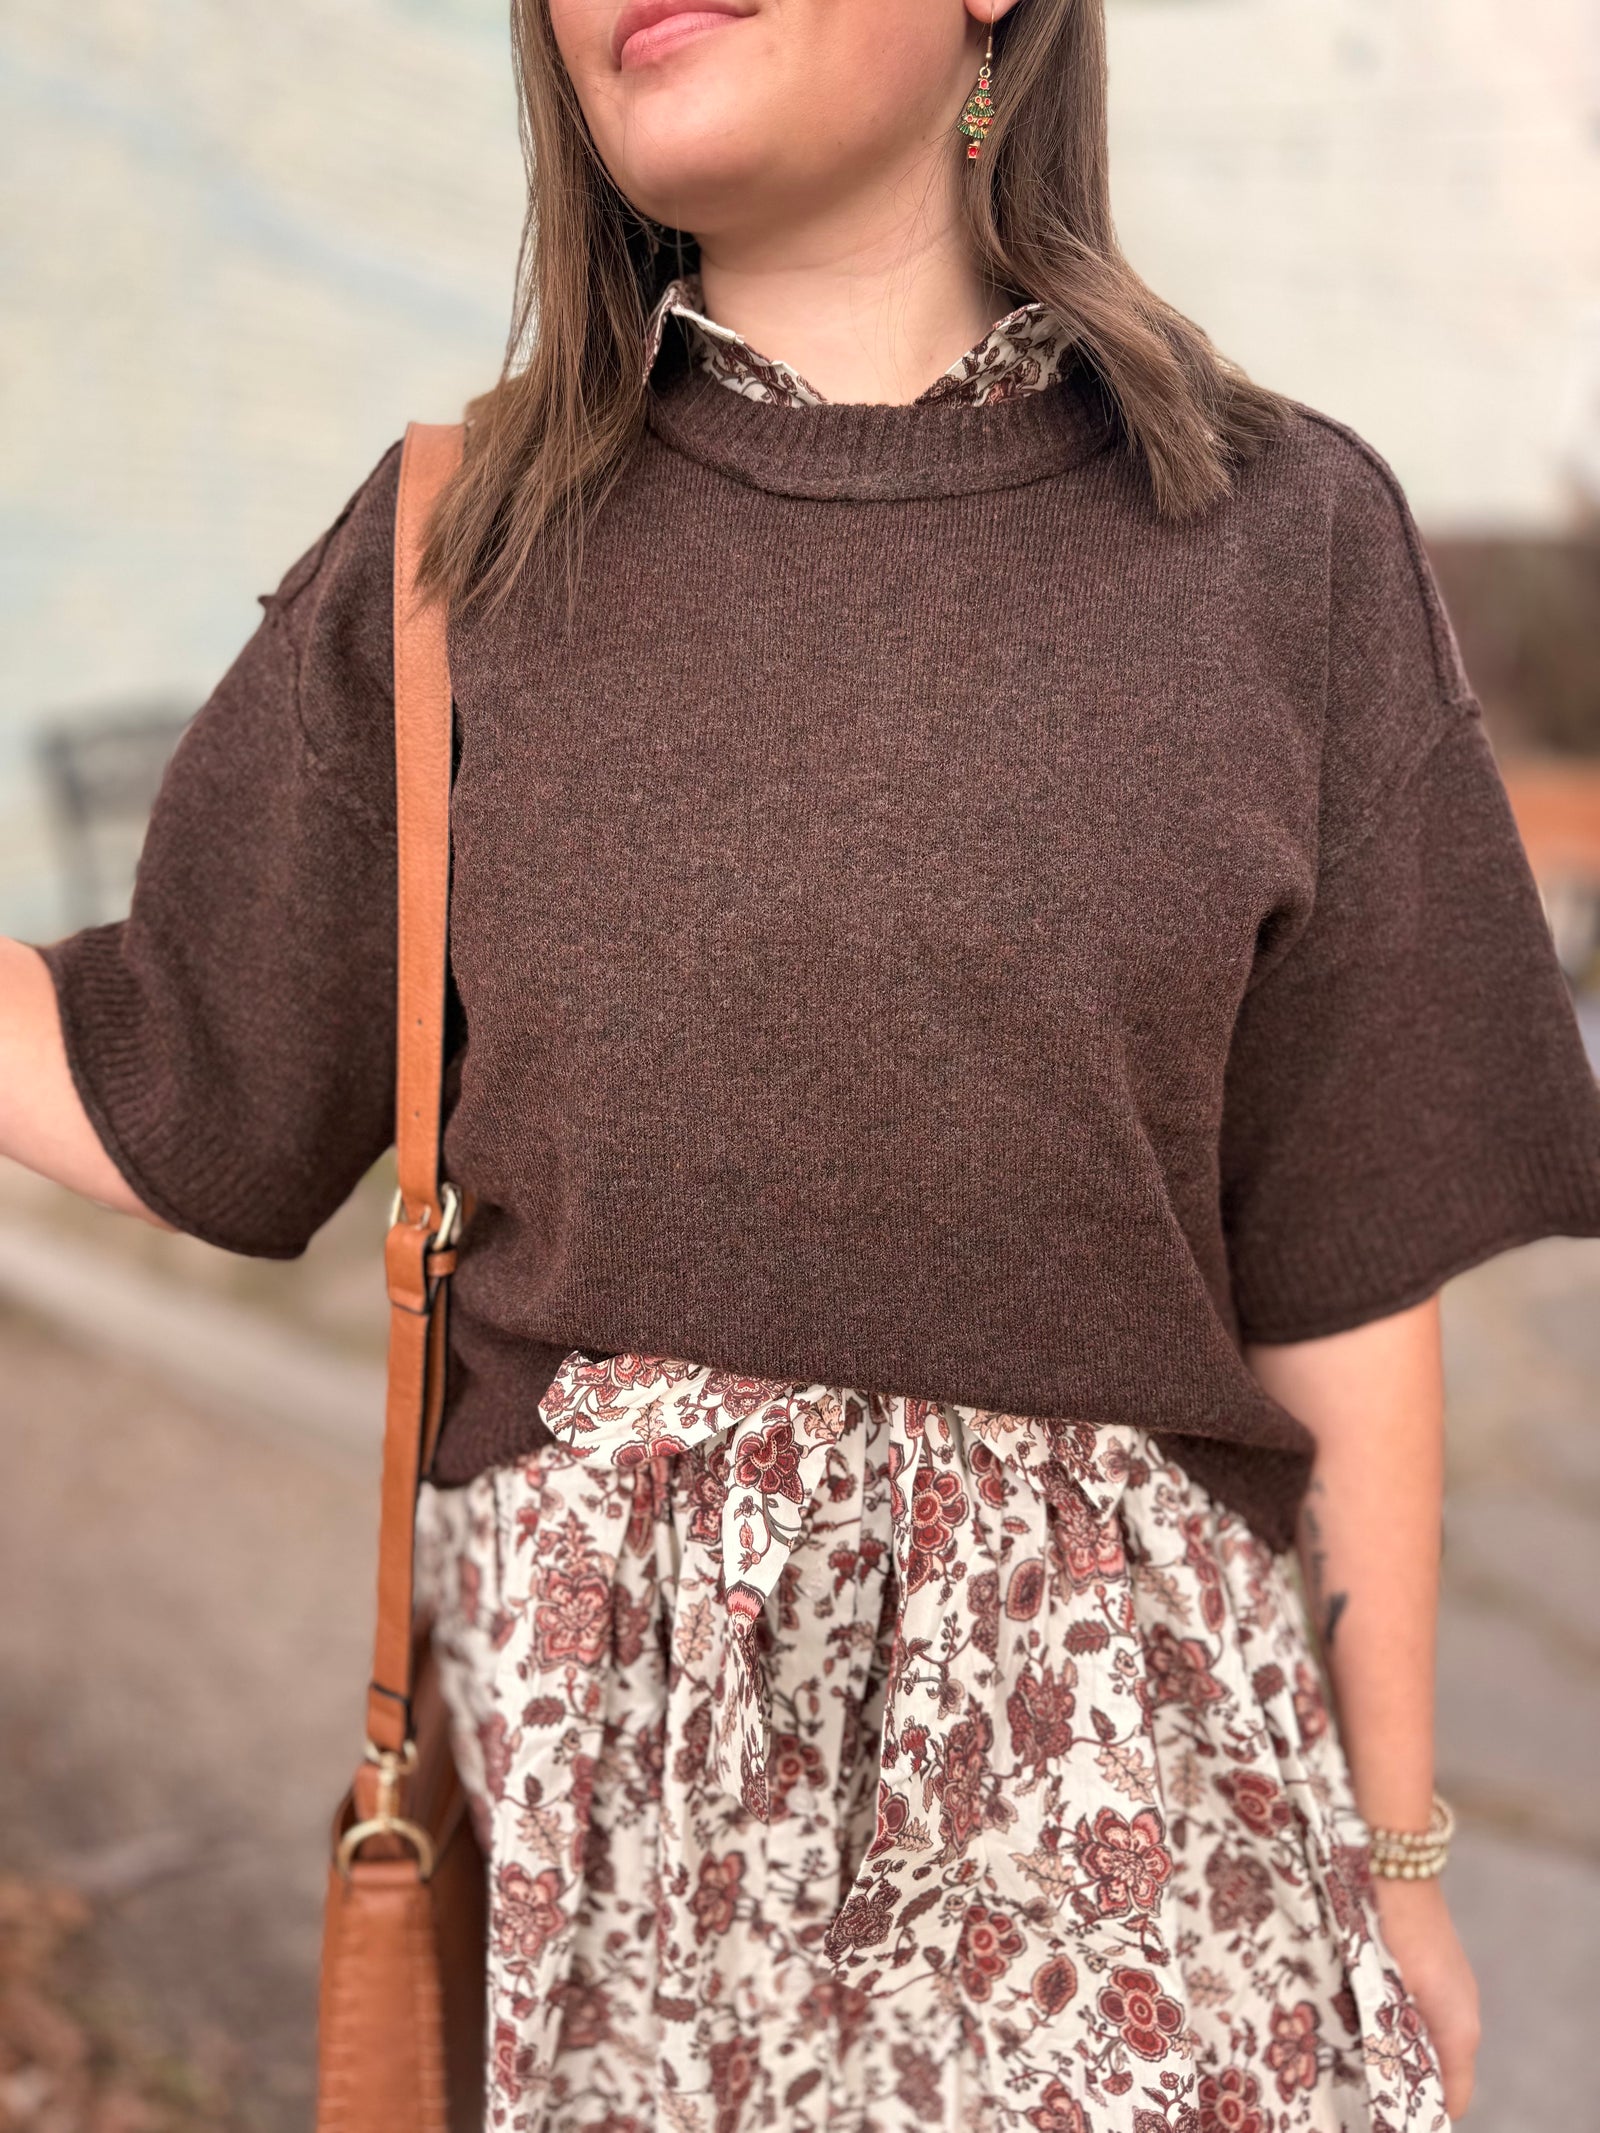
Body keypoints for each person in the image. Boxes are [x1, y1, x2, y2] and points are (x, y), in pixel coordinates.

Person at [4, 0, 1599, 2125]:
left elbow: (1340, 1266)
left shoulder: (1277, 537)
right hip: (632, 1907)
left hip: (1146, 1888)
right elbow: (178, 1077)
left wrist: (1392, 1860)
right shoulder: (450, 555)